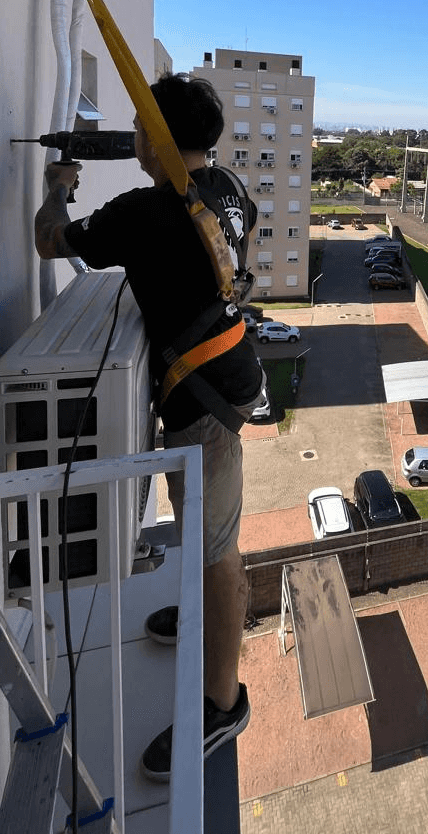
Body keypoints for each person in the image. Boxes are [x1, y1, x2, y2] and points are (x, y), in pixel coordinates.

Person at [34, 73, 261, 781]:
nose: (131, 137)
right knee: (206, 529)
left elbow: (49, 242)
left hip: (203, 402)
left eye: (139, 128)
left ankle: (223, 704)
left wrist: (58, 187)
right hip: (224, 375)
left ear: (160, 140)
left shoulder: (145, 213)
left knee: (217, 550)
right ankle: (196, 611)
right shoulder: (225, 190)